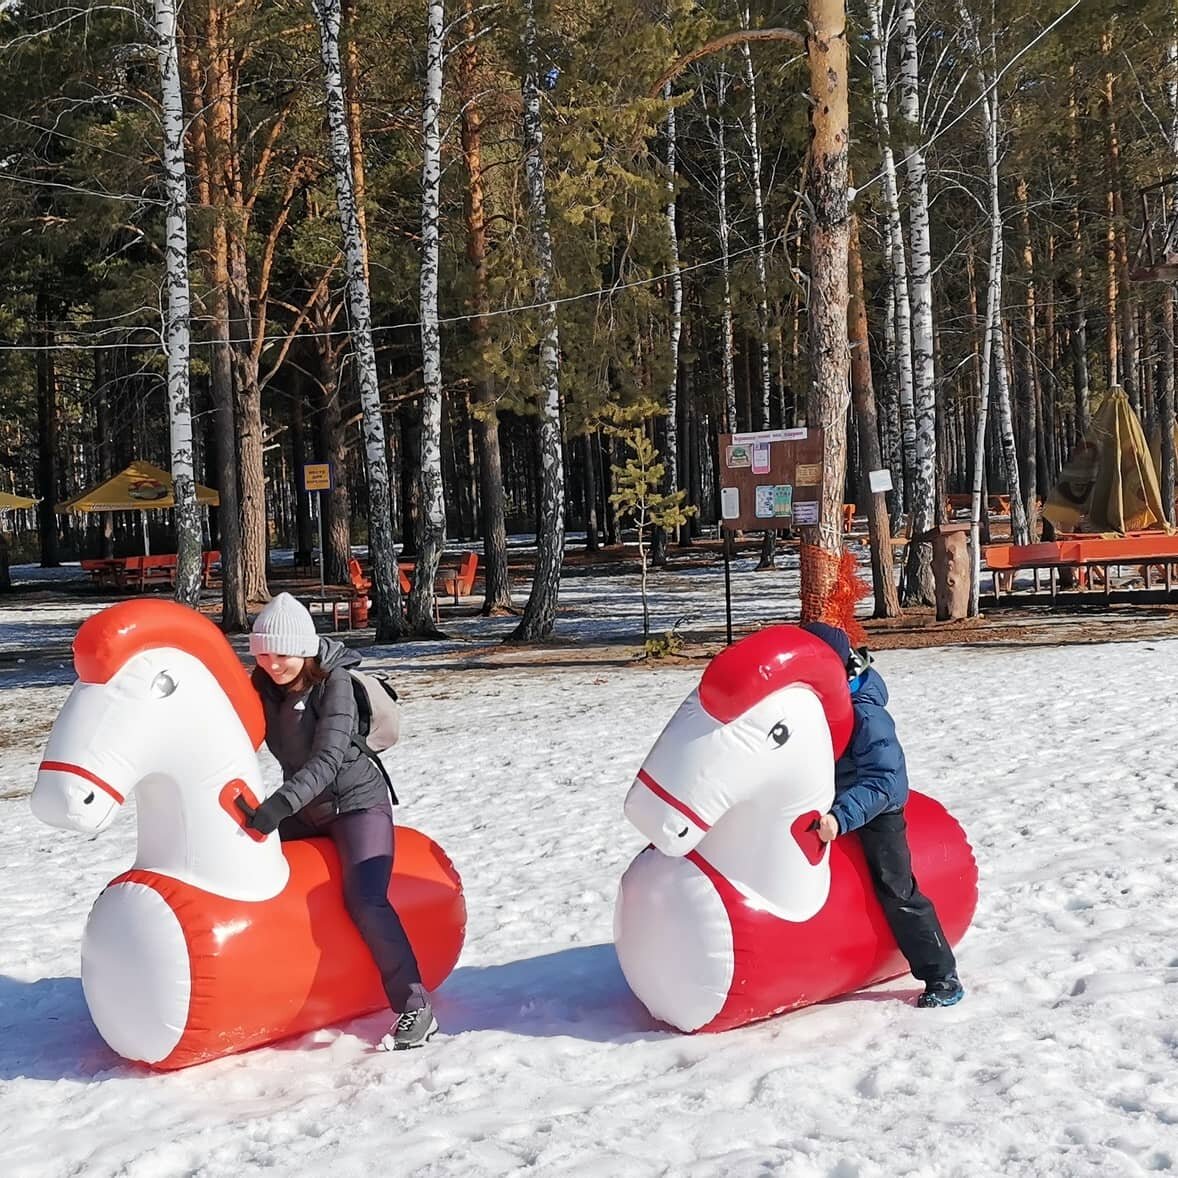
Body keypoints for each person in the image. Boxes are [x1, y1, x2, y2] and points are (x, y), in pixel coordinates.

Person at [238, 592, 436, 1050]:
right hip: (304, 810)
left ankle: (416, 1007)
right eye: (263, 654)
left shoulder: (336, 683)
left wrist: (277, 807)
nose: (272, 663)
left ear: (305, 650)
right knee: (279, 896)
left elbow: (328, 759)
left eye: (282, 654)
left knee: (366, 899)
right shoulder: (263, 686)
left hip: (355, 804)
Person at [800, 621, 965, 1008]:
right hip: (829, 802)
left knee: (897, 889)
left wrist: (842, 817)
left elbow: (887, 780)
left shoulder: (866, 714)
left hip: (874, 811)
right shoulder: (814, 705)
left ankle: (941, 974)